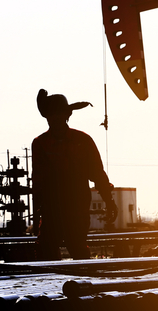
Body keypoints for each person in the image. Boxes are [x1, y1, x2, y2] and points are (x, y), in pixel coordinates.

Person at [32, 89, 117, 260]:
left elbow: (97, 173)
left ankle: (82, 276)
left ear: (67, 115)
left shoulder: (80, 141)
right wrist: (37, 213)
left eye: (58, 114)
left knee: (75, 248)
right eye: (51, 115)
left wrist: (109, 201)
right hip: (54, 209)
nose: (54, 118)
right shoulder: (42, 143)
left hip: (74, 208)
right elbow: (38, 181)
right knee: (49, 251)